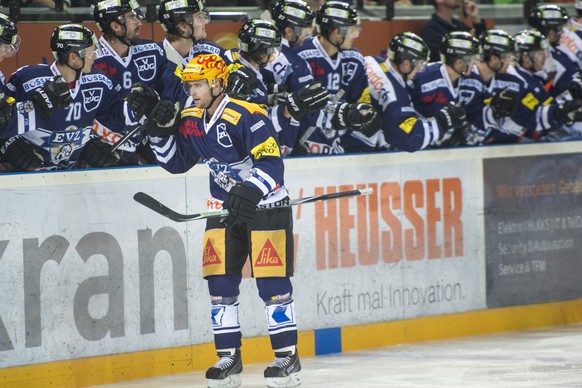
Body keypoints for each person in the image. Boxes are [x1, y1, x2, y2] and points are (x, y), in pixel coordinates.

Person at [132, 53, 301, 388]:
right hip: (223, 211)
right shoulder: (192, 117)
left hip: (266, 208)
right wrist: (158, 132)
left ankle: (287, 356)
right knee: (220, 285)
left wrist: (250, 191)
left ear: (217, 83)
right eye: (189, 85)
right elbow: (177, 161)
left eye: (198, 84)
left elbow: (272, 164)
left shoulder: (248, 115)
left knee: (272, 285)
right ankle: (229, 356)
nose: (192, 91)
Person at [0, 24, 137, 171]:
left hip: (73, 176)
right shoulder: (27, 80)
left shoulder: (99, 81)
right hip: (30, 178)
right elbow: (4, 121)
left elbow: (114, 117)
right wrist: (11, 147)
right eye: (91, 52)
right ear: (73, 57)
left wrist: (136, 107)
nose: (95, 57)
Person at [294, 0, 381, 154]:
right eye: (352, 29)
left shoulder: (354, 60)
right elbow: (295, 105)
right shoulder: (301, 55)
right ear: (337, 31)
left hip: (335, 148)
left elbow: (358, 101)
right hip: (298, 146)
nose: (355, 35)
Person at [363, 31, 467, 152]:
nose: (420, 70)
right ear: (406, 64)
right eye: (419, 65)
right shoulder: (395, 94)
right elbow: (409, 139)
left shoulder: (371, 60)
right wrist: (442, 121)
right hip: (355, 149)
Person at [92, 0, 169, 163]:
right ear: (116, 26)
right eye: (132, 18)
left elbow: (169, 89)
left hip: (148, 142)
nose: (139, 23)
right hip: (106, 147)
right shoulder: (90, 60)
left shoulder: (152, 50)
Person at [410, 31, 482, 147]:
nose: (476, 65)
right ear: (459, 62)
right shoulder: (422, 77)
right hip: (414, 148)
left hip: (443, 148)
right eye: (473, 60)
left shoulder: (472, 81)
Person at [528, 3, 582, 140]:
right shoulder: (538, 56)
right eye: (559, 28)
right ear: (550, 32)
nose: (562, 32)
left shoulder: (554, 51)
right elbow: (541, 92)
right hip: (554, 124)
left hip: (560, 118)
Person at [421, 0, 486, 62]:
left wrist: (476, 18)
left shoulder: (460, 25)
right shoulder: (431, 30)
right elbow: (443, 58)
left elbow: (484, 46)